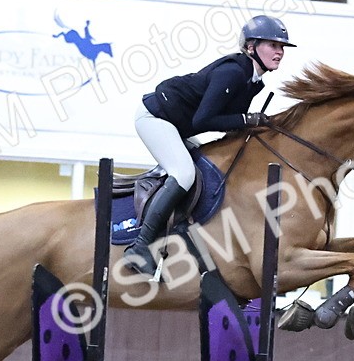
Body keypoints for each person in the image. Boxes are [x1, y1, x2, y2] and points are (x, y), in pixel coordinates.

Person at [122, 15, 295, 277]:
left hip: (178, 124)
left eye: (282, 47)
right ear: (251, 47)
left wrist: (252, 125)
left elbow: (228, 123)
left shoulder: (254, 82)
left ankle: (182, 228)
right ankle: (140, 246)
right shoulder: (234, 73)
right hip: (156, 118)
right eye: (273, 45)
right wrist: (247, 120)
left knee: (208, 169)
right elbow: (203, 119)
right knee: (184, 174)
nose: (280, 52)